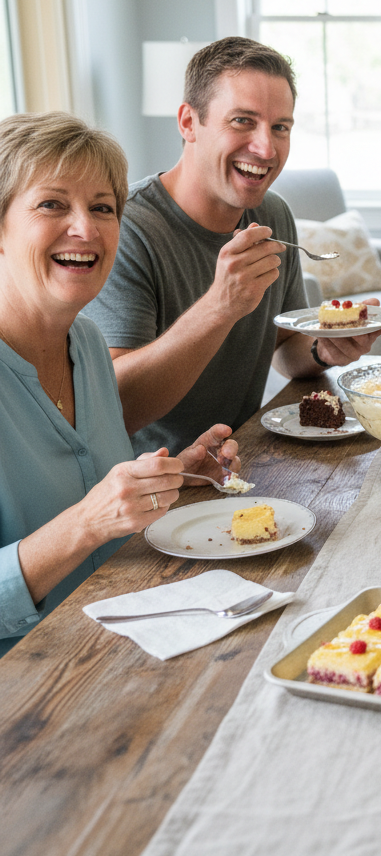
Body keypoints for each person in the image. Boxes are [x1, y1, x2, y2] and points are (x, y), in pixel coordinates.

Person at [0, 113, 242, 656]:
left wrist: (173, 477)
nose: (85, 228)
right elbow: (87, 519)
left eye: (103, 208)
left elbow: (101, 499)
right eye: (52, 204)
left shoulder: (85, 342)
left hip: (124, 635)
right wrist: (88, 522)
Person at [83, 37, 381, 457]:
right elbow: (117, 405)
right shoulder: (125, 228)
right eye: (242, 121)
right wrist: (220, 306)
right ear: (188, 122)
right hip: (155, 487)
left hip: (242, 459)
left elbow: (285, 349)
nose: (266, 148)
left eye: (280, 127)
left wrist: (322, 348)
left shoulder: (272, 214)